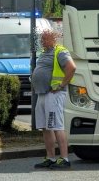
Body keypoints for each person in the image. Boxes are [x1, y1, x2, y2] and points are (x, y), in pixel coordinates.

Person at [31, 29, 76, 169]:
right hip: (42, 93)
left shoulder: (60, 51)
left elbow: (72, 67)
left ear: (54, 39)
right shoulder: (44, 53)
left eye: (46, 38)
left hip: (54, 94)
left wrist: (61, 84)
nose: (43, 41)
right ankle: (50, 157)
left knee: (57, 126)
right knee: (45, 127)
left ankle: (64, 158)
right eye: (42, 39)